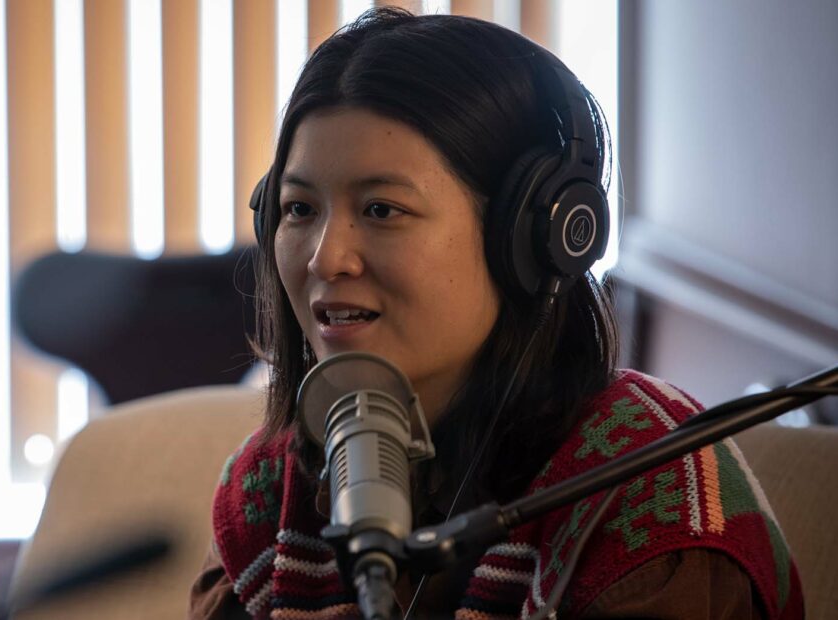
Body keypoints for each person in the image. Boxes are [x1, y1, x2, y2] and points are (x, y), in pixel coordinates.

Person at [189, 9, 803, 619]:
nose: (327, 257)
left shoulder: (651, 492)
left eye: (381, 210)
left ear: (530, 239)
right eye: (299, 209)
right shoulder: (271, 485)